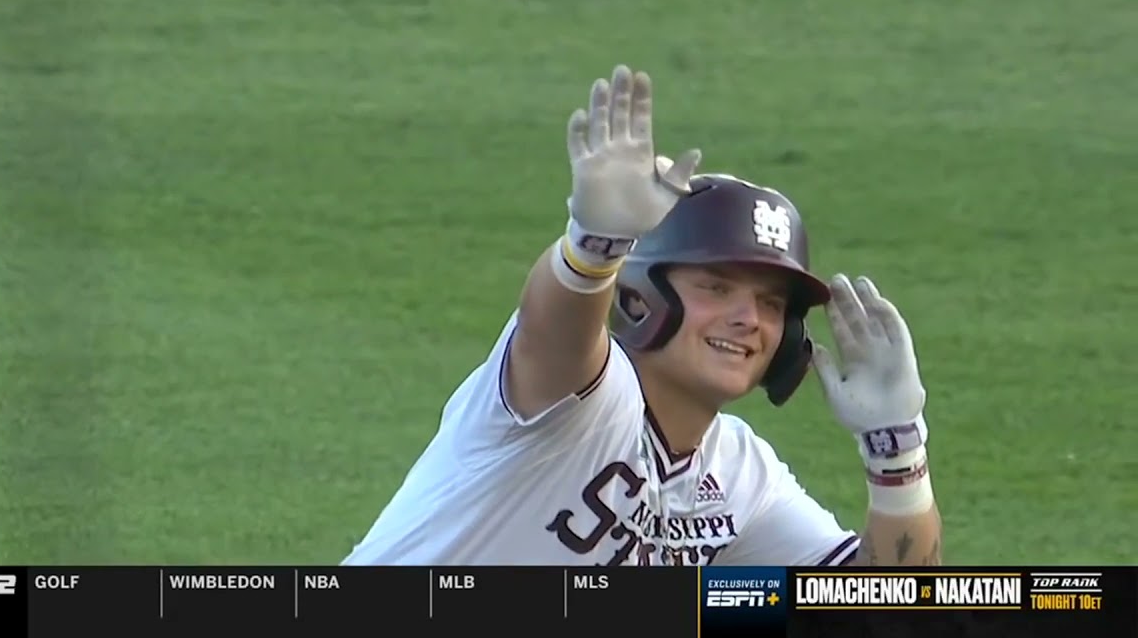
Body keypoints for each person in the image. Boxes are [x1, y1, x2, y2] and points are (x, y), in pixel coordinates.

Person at [342, 65, 942, 567]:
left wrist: (896, 451)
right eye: (716, 285)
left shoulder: (738, 475)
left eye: (771, 303)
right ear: (637, 297)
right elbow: (555, 328)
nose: (748, 319)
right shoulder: (581, 401)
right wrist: (593, 245)